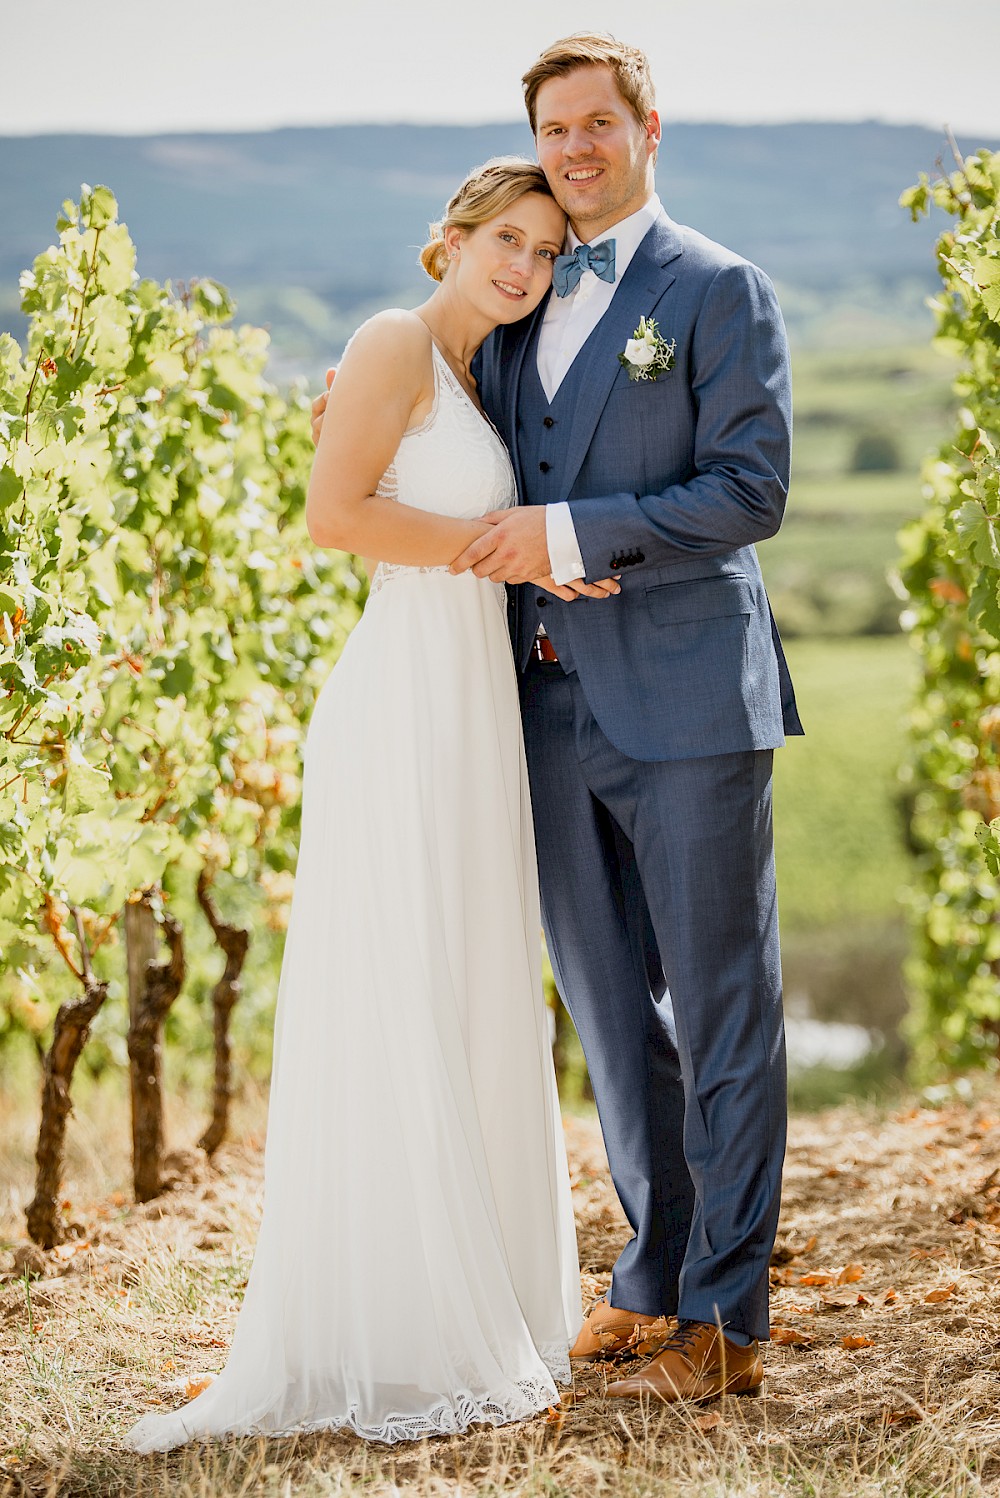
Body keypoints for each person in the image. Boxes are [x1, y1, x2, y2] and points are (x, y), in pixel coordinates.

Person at [123, 157, 589, 1453]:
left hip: (470, 702)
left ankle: (466, 1296)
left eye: (547, 250)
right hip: (405, 702)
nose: (524, 266)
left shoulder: (479, 378)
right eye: (507, 236)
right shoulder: (390, 338)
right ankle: (401, 1324)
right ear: (450, 237)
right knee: (405, 985)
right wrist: (512, 545)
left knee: (468, 979)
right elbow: (334, 516)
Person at [449, 32, 803, 1403]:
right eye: (556, 130)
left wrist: (577, 527)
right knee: (608, 1008)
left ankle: (731, 1308)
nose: (578, 149)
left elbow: (750, 489)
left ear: (653, 129)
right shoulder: (522, 288)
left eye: (600, 123)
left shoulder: (718, 290)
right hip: (541, 701)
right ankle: (653, 1274)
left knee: (720, 1005)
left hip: (693, 700)